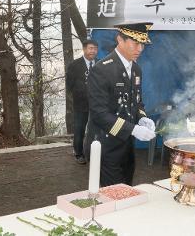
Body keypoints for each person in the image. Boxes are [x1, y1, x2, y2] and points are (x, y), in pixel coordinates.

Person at [86, 22, 156, 187]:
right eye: (135, 42)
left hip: (127, 147)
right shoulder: (102, 70)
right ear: (120, 39)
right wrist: (133, 129)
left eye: (142, 44)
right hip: (106, 146)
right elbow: (99, 114)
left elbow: (137, 102)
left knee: (127, 191)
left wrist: (142, 118)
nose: (140, 49)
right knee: (112, 198)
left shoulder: (136, 70)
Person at [66, 39, 98, 164]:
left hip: (98, 104)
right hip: (80, 104)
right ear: (84, 49)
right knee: (79, 129)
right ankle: (79, 153)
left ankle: (94, 152)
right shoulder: (74, 65)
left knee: (97, 129)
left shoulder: (101, 64)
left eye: (95, 48)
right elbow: (69, 86)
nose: (93, 51)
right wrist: (78, 94)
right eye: (90, 48)